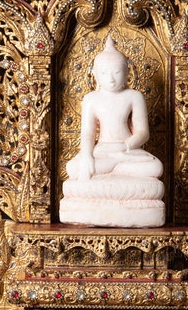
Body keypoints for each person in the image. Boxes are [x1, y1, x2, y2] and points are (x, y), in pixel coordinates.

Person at [59, 34, 165, 227]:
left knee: (156, 167)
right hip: (103, 151)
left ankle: (115, 167)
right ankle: (114, 168)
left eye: (117, 72)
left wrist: (125, 147)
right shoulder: (91, 99)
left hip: (128, 150)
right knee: (72, 170)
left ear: (127, 73)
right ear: (96, 75)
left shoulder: (134, 96)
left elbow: (143, 133)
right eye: (105, 73)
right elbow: (88, 133)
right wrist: (86, 157)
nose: (111, 78)